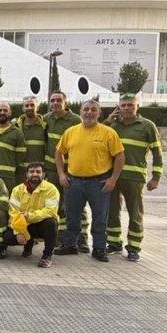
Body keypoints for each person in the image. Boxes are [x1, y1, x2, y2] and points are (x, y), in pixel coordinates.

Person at [54, 100, 124, 262]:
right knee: (72, 216)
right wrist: (61, 174)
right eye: (86, 109)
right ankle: (69, 245)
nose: (89, 112)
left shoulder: (108, 133)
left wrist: (113, 179)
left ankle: (99, 249)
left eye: (93, 110)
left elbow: (120, 156)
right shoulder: (71, 132)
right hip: (73, 182)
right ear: (80, 112)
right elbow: (59, 153)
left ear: (99, 113)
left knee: (100, 218)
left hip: (98, 182)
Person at [106, 94, 164, 261]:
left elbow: (157, 153)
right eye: (123, 105)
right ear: (118, 107)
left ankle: (134, 248)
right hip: (113, 177)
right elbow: (96, 136)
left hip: (135, 178)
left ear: (137, 106)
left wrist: (156, 177)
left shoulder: (147, 126)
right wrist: (109, 121)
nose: (126, 108)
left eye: (130, 105)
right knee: (112, 211)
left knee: (135, 213)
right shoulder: (113, 126)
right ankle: (114, 243)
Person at [43, 91, 88, 250]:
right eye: (52, 100)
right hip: (52, 169)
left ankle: (82, 238)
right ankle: (60, 237)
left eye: (58, 100)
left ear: (65, 103)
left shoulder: (76, 120)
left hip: (72, 169)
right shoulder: (47, 118)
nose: (55, 103)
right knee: (56, 203)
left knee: (76, 205)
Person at [4, 161, 60, 268]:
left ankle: (46, 256)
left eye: (38, 172)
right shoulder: (17, 190)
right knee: (7, 237)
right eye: (31, 172)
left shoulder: (51, 189)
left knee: (51, 223)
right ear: (26, 174)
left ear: (43, 174)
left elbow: (50, 211)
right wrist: (18, 232)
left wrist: (30, 216)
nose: (34, 174)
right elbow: (13, 213)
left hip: (41, 225)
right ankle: (28, 246)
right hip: (24, 226)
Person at [14, 96, 46, 183]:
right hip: (21, 172)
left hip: (38, 173)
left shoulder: (45, 126)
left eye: (32, 105)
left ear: (37, 107)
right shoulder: (15, 126)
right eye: (26, 105)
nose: (29, 108)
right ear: (23, 108)